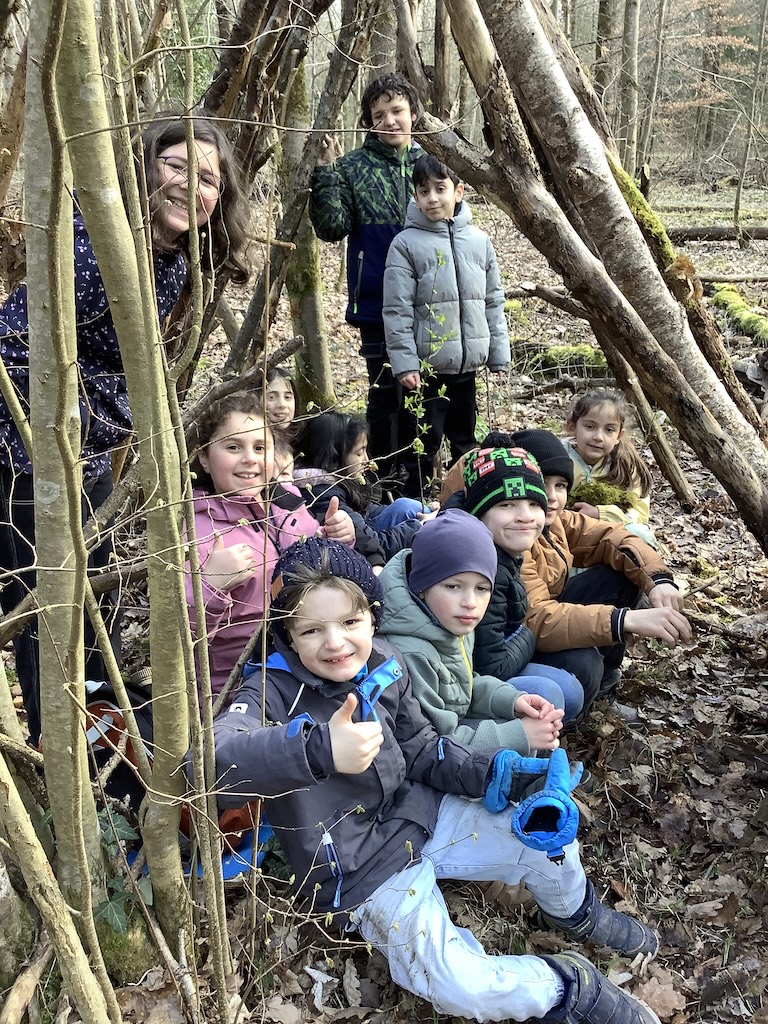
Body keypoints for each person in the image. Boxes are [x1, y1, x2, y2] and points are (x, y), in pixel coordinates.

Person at [201, 537, 661, 1024]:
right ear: (288, 636)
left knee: (544, 839)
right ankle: (568, 988)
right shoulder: (269, 693)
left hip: (420, 811)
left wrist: (494, 772)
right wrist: (319, 749)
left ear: (372, 618)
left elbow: (421, 746)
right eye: (312, 629)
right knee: (460, 984)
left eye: (350, 622)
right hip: (359, 869)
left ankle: (574, 910)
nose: (335, 643)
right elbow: (209, 765)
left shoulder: (384, 660)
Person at [0, 111, 250, 744]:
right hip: (29, 454)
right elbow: (18, 351)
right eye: (177, 166)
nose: (191, 186)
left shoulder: (174, 262)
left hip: (85, 455)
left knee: (94, 601)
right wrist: (108, 413)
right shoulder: (93, 245)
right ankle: (64, 752)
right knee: (54, 613)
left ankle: (99, 731)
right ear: (144, 167)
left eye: (209, 180)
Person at [511, 429, 692, 720]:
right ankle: (564, 721)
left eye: (560, 485)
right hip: (516, 640)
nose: (553, 497)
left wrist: (659, 580)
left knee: (623, 575)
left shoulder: (556, 522)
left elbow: (613, 538)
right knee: (584, 665)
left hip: (544, 616)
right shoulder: (510, 536)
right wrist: (623, 620)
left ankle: (604, 688)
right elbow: (536, 620)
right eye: (542, 484)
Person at [184, 392, 354, 699]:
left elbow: (328, 579)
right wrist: (210, 584)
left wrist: (337, 539)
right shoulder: (197, 528)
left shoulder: (286, 501)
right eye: (233, 447)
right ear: (205, 458)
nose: (250, 458)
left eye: (260, 447)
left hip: (312, 664)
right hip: (241, 690)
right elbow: (181, 639)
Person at [309, 73, 422, 483]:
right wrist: (327, 172)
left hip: (428, 303)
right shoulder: (354, 167)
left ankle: (420, 479)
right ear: (369, 122)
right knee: (385, 394)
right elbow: (331, 227)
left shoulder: (429, 166)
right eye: (379, 114)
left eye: (397, 111)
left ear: (413, 114)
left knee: (423, 397)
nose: (389, 121)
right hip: (376, 301)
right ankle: (383, 480)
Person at [378, 507, 562, 751]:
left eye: (482, 588)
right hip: (431, 753)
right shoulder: (411, 654)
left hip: (451, 734)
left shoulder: (448, 619)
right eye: (453, 586)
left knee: (536, 719)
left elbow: (460, 687)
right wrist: (518, 735)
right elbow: (433, 746)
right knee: (525, 738)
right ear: (420, 585)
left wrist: (511, 700)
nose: (470, 602)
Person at [383, 154, 510, 499]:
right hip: (427, 370)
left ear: (459, 191)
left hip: (467, 368)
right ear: (415, 196)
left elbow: (493, 300)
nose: (433, 198)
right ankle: (415, 505)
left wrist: (498, 353)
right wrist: (405, 363)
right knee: (422, 444)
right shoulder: (405, 245)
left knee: (465, 441)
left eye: (440, 189)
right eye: (424, 191)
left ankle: (465, 501)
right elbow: (396, 310)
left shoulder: (479, 242)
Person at [462, 446, 586, 724]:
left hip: (491, 660)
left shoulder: (505, 551)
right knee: (554, 692)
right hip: (467, 681)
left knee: (571, 687)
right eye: (507, 505)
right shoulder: (485, 567)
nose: (525, 516)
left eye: (533, 504)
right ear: (479, 512)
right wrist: (529, 635)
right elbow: (492, 667)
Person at [294, 411, 431, 571]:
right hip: (360, 558)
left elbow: (365, 511)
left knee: (408, 508)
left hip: (368, 537)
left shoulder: (333, 482)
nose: (366, 460)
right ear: (334, 456)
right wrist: (421, 526)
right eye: (359, 453)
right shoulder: (324, 495)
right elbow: (372, 544)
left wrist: (422, 511)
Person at [564, 388, 656, 547]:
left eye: (609, 430)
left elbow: (639, 514)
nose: (598, 437)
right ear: (572, 426)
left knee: (642, 535)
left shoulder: (625, 465)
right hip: (566, 530)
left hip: (610, 531)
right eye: (590, 426)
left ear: (619, 435)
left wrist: (601, 513)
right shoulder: (559, 457)